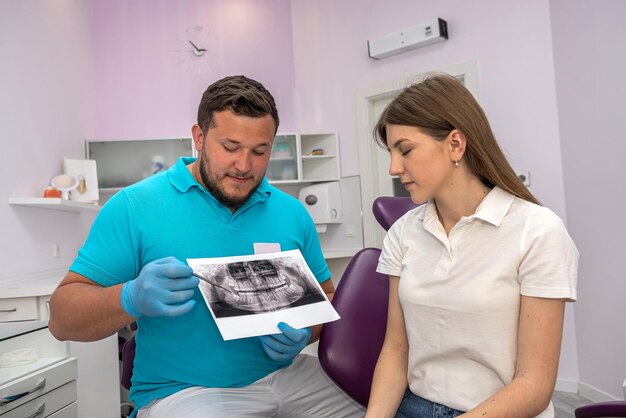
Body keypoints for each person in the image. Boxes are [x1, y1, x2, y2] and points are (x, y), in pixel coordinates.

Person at [48, 75, 363, 418]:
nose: (245, 166)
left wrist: (306, 332)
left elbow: (327, 299)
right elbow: (62, 319)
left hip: (288, 375)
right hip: (186, 392)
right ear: (198, 137)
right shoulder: (134, 207)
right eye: (230, 147)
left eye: (260, 151)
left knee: (382, 404)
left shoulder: (291, 213)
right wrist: (129, 296)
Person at [365, 73, 578, 418]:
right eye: (390, 152)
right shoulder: (403, 233)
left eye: (404, 150)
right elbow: (396, 347)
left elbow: (534, 384)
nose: (393, 168)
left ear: (455, 145)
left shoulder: (537, 232)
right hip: (414, 406)